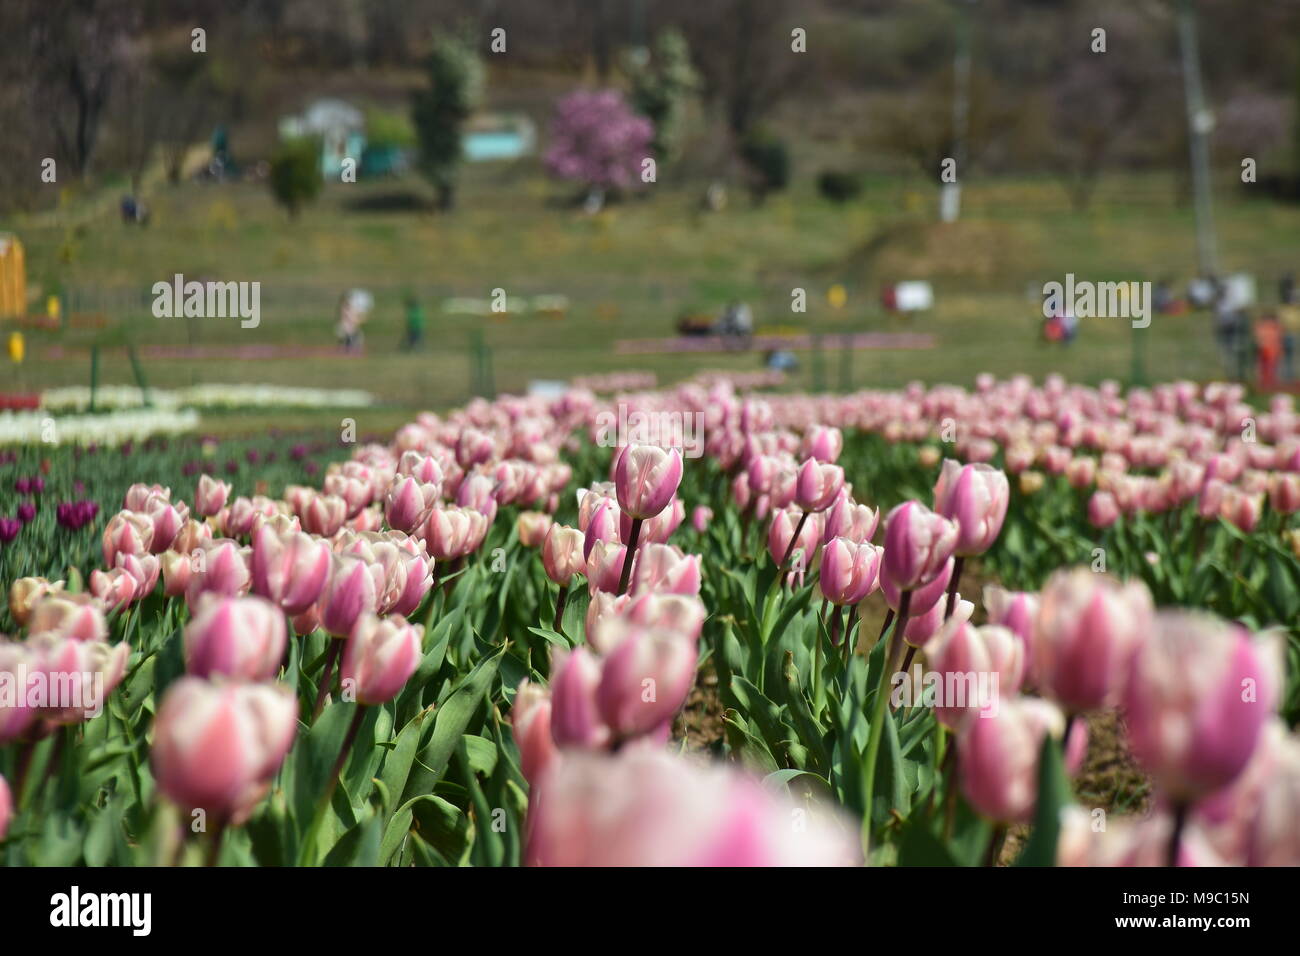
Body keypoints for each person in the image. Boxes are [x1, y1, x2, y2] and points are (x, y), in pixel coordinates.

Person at [1255, 312, 1283, 390]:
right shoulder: (1265, 326)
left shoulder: (1273, 326)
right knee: (1265, 367)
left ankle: (1269, 383)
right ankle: (1265, 383)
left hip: (1271, 348)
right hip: (1266, 348)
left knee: (1271, 367)